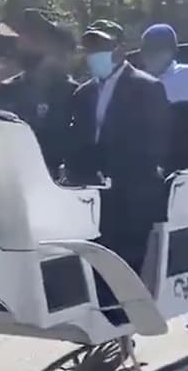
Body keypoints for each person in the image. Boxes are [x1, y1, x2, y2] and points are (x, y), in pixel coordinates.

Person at [65, 20, 170, 278]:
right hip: (91, 192)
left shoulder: (147, 88)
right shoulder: (83, 93)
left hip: (131, 191)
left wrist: (113, 169)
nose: (93, 55)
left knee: (123, 262)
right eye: (89, 48)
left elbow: (157, 143)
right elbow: (78, 142)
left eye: (101, 46)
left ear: (119, 50)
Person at [0, 8, 78, 176]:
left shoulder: (75, 95)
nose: (25, 44)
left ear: (55, 47)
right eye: (23, 37)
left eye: (36, 38)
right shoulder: (4, 92)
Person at [138, 23, 188, 102]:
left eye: (158, 50)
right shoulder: (137, 83)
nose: (151, 55)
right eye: (147, 50)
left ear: (172, 51)